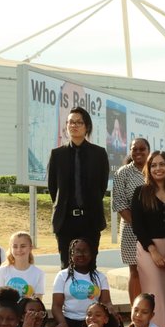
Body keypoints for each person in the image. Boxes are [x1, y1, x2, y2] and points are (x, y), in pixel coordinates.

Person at [47, 106, 110, 267]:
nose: (74, 125)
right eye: (70, 122)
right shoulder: (57, 155)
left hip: (90, 219)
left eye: (78, 122)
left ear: (86, 126)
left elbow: (101, 186)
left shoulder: (99, 154)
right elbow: (53, 188)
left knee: (89, 266)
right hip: (65, 220)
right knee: (66, 267)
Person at [131, 151, 165, 327]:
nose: (158, 169)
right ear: (148, 169)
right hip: (148, 251)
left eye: (162, 164)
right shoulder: (141, 192)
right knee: (156, 295)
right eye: (154, 165)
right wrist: (154, 252)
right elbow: (138, 226)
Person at [51, 239, 113, 327]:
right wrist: (62, 323)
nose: (81, 254)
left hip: (92, 321)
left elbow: (106, 302)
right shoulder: (62, 276)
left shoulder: (100, 277)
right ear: (71, 254)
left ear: (91, 254)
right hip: (69, 321)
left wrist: (112, 311)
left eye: (85, 251)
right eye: (77, 251)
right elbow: (56, 306)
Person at [112, 137, 150, 301]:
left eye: (142, 149)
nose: (138, 152)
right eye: (135, 149)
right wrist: (139, 226)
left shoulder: (155, 169)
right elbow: (119, 202)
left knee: (152, 270)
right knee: (135, 270)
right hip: (130, 230)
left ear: (149, 151)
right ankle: (136, 309)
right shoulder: (123, 173)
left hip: (155, 229)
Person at [0, 231, 45, 299]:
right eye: (15, 247)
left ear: (30, 248)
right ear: (10, 248)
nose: (19, 250)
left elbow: (38, 301)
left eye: (23, 246)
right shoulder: (2, 271)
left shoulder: (39, 273)